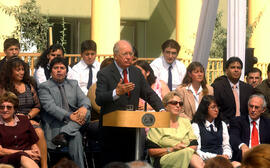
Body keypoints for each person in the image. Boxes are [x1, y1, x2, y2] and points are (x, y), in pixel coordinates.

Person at [95, 40, 165, 165]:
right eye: (125, 54)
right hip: (111, 131)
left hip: (131, 131)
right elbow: (99, 99)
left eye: (130, 54)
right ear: (116, 56)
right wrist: (116, 92)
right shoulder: (104, 73)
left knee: (130, 164)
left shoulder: (136, 72)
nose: (128, 57)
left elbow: (148, 93)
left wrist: (161, 109)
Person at [38, 57, 91, 168]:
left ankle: (64, 133)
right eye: (56, 68)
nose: (59, 70)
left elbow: (85, 99)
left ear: (66, 71)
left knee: (87, 112)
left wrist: (84, 107)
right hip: (56, 126)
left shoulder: (73, 84)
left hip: (72, 124)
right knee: (75, 135)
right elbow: (50, 107)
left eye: (62, 68)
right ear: (51, 71)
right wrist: (70, 115)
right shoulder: (44, 87)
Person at [0, 57, 47, 168]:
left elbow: (37, 106)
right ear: (10, 71)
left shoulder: (28, 86)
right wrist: (22, 119)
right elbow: (3, 108)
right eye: (18, 70)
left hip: (28, 118)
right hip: (10, 118)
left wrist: (28, 118)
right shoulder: (3, 88)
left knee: (39, 132)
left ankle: (44, 165)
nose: (21, 72)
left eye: (23, 69)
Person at [146, 91, 204, 168]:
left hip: (187, 155)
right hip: (164, 158)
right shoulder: (158, 124)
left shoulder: (186, 122)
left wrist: (183, 150)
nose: (178, 106)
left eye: (180, 104)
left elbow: (194, 145)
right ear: (165, 106)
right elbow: (151, 151)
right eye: (174, 103)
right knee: (190, 155)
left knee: (189, 154)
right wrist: (172, 149)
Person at [0, 91, 40, 168]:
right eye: (2, 107)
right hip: (6, 159)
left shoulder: (24, 120)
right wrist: (24, 152)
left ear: (15, 109)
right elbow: (1, 151)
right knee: (21, 156)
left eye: (9, 107)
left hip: (27, 158)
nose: (5, 110)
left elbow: (33, 143)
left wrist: (35, 153)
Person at [211, 57, 254, 123]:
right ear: (226, 70)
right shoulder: (217, 87)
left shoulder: (248, 88)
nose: (236, 70)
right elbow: (215, 109)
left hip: (244, 125)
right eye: (233, 67)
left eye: (238, 68)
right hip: (225, 125)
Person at [229, 94, 270, 162]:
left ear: (263, 110)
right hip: (244, 158)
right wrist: (242, 146)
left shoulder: (268, 123)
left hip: (263, 160)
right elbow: (233, 137)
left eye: (256, 107)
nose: (253, 110)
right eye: (251, 106)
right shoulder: (237, 121)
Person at [191, 95, 232, 161]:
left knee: (237, 165)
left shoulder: (222, 124)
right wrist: (215, 156)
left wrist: (226, 155)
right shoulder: (196, 125)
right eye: (213, 107)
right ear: (205, 109)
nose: (216, 110)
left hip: (222, 159)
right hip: (206, 160)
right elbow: (197, 151)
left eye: (217, 107)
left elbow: (226, 145)